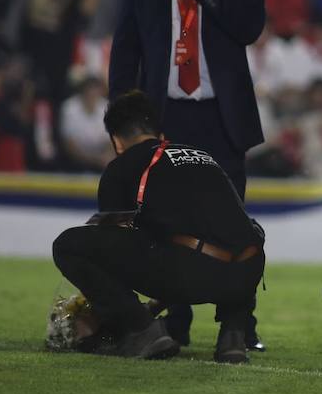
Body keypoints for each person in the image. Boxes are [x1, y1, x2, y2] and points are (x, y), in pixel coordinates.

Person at [108, 0, 266, 349]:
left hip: (222, 116)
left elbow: (248, 28)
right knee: (164, 222)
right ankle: (174, 323)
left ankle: (238, 325)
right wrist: (121, 117)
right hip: (166, 116)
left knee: (233, 223)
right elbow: (127, 44)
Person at [52, 91, 265, 361]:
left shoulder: (123, 166)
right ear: (157, 131)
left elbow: (118, 245)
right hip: (248, 271)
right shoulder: (203, 156)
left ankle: (142, 330)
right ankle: (232, 335)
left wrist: (112, 312)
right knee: (232, 241)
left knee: (68, 245)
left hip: (190, 270)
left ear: (117, 141)